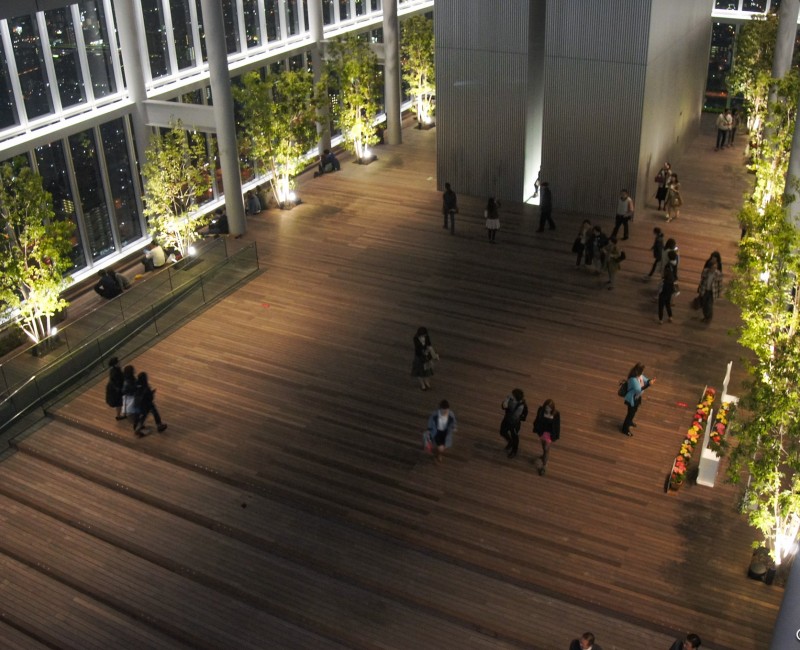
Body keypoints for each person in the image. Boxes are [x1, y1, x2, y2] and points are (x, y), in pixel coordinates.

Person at [621, 362, 655, 436]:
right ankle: (625, 429)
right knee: (630, 413)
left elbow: (646, 380)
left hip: (637, 397)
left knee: (634, 410)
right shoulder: (633, 379)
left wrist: (649, 381)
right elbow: (638, 389)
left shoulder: (640, 376)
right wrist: (648, 385)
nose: (643, 372)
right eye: (642, 370)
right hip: (632, 399)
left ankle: (630, 422)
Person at [132, 372, 168, 437]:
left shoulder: (136, 384)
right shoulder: (146, 387)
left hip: (137, 403)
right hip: (146, 404)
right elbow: (150, 397)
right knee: (153, 412)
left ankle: (137, 427)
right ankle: (159, 425)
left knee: (142, 416)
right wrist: (152, 393)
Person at [533, 398, 560, 475]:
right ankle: (544, 456)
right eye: (546, 407)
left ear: (552, 408)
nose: (547, 409)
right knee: (544, 448)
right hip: (542, 432)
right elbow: (537, 419)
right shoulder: (541, 410)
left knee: (546, 448)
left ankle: (544, 466)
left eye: (549, 408)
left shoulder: (556, 414)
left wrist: (555, 436)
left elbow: (557, 426)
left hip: (549, 434)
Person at [499, 388, 527, 459]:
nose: (511, 395)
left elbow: (505, 407)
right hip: (507, 420)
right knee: (502, 432)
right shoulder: (512, 401)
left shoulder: (520, 405)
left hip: (514, 423)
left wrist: (507, 400)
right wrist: (507, 400)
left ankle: (514, 450)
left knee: (515, 437)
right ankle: (510, 442)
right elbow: (503, 406)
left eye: (513, 395)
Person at [427, 399, 456, 464]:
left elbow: (453, 421)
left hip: (445, 433)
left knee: (442, 447)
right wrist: (429, 429)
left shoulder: (451, 414)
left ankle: (438, 454)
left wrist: (454, 427)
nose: (445, 412)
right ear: (440, 409)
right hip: (437, 432)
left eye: (446, 411)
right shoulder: (435, 414)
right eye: (443, 411)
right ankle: (438, 454)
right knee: (440, 447)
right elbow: (430, 421)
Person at [697, 256, 723, 323]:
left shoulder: (718, 274)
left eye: (715, 267)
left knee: (709, 305)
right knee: (704, 304)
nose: (715, 269)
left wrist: (719, 292)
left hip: (712, 292)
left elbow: (719, 284)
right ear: (710, 267)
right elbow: (702, 280)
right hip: (705, 290)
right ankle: (705, 317)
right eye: (713, 267)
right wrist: (699, 289)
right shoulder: (705, 271)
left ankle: (708, 318)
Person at [411, 326, 438, 391]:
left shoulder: (427, 337)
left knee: (427, 371)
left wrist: (433, 355)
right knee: (419, 372)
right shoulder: (415, 338)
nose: (423, 337)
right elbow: (418, 349)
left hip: (425, 356)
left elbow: (429, 346)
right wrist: (426, 351)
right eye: (422, 336)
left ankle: (426, 382)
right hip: (419, 357)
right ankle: (422, 384)